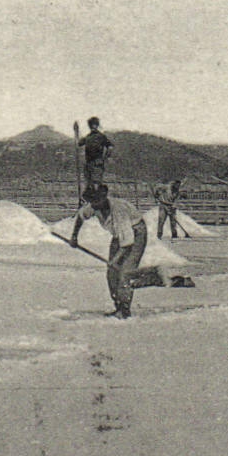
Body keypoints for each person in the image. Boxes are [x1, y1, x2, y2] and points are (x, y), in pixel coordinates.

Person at [69, 183, 170, 318]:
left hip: (137, 233)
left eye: (96, 200)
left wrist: (114, 260)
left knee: (125, 272)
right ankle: (118, 306)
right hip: (120, 235)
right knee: (112, 273)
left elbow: (127, 243)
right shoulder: (94, 205)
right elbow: (81, 217)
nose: (93, 205)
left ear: (104, 197)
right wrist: (74, 236)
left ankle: (125, 309)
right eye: (91, 201)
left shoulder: (118, 211)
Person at [79, 117, 114, 191]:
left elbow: (110, 147)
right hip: (88, 164)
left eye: (94, 125)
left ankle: (98, 199)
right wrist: (76, 131)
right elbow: (79, 143)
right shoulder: (88, 137)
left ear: (97, 125)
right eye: (91, 125)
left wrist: (105, 158)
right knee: (88, 184)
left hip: (97, 163)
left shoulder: (101, 136)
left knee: (96, 183)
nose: (93, 127)